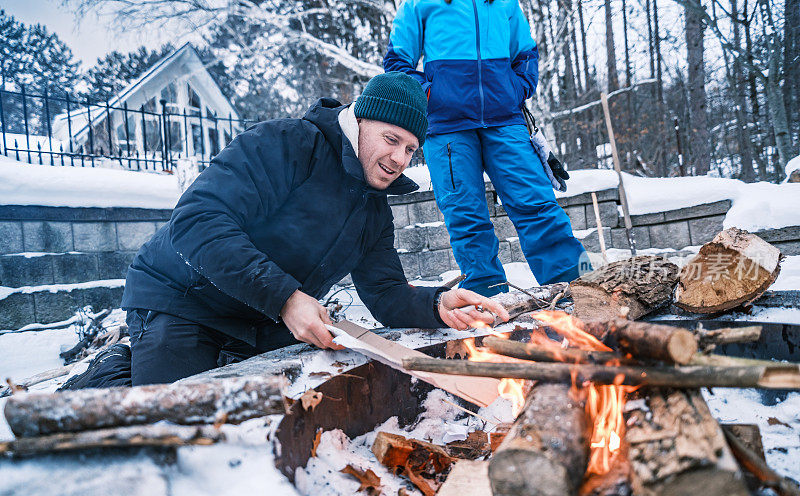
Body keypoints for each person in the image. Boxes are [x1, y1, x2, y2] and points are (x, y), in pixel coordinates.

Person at [61, 72, 509, 390]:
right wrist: (287, 299)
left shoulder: (373, 210)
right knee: (175, 420)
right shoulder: (285, 144)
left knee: (284, 411)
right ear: (360, 121)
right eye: (391, 140)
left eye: (411, 149)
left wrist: (436, 302)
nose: (399, 159)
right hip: (183, 300)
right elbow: (197, 221)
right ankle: (115, 369)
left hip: (263, 319)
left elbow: (386, 293)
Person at [384, 0, 589, 296]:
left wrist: (514, 89)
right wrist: (432, 94)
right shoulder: (418, 3)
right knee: (465, 214)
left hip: (506, 120)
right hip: (446, 127)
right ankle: (487, 295)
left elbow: (526, 53)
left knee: (538, 205)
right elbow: (397, 62)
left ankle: (579, 286)